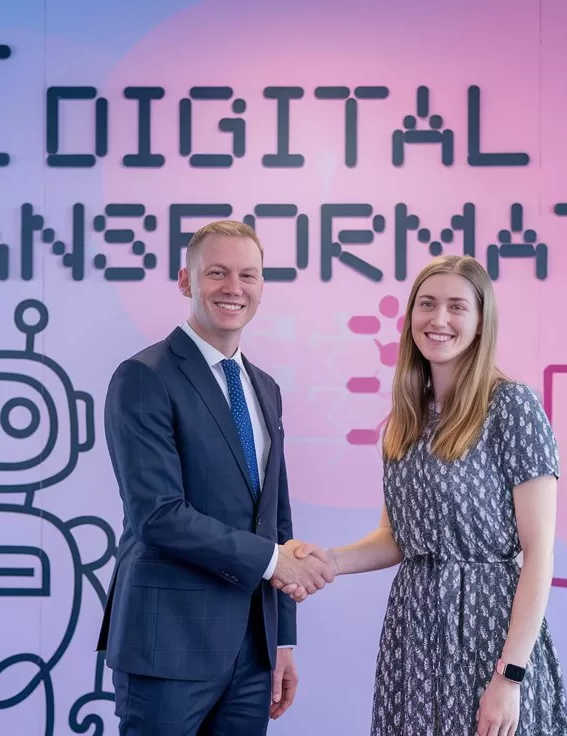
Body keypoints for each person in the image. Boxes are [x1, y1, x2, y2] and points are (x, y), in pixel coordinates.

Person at [286, 255, 567, 736]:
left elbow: (539, 553)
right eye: (427, 304)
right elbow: (396, 538)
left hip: (490, 635)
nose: (439, 319)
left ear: (481, 323)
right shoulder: (406, 418)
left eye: (457, 307)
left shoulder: (512, 406)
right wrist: (327, 562)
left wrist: (510, 676)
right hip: (415, 634)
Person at [97, 219, 335, 735]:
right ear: (186, 280)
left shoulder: (264, 387)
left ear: (262, 286)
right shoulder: (144, 377)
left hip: (252, 652)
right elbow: (158, 515)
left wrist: (282, 639)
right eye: (217, 273)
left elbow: (276, 520)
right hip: (168, 644)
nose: (234, 288)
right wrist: (272, 561)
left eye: (248, 275)